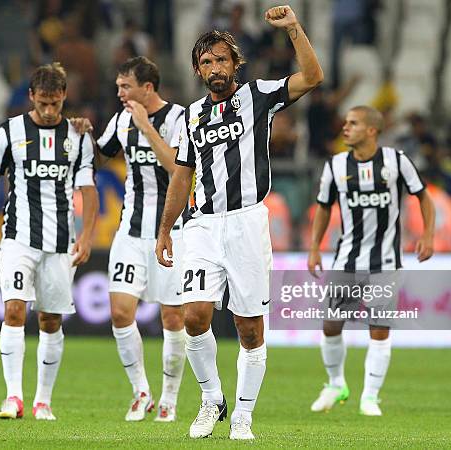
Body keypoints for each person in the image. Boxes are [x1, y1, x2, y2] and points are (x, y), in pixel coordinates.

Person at [155, 5, 324, 440]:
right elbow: (182, 175)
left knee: (250, 328)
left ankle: (244, 414)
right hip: (203, 226)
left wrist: (292, 30)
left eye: (222, 59)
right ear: (197, 69)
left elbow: (312, 78)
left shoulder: (259, 95)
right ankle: (212, 399)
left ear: (235, 64)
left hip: (248, 222)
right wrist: (164, 229)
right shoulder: (192, 116)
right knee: (193, 316)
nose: (215, 67)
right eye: (207, 61)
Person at [0, 63, 98, 421]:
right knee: (13, 310)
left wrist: (86, 237)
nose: (49, 111)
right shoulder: (9, 132)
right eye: (42, 103)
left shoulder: (78, 137)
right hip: (18, 239)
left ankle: (43, 400)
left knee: (51, 320)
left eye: (55, 103)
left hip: (60, 243)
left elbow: (89, 189)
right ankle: (13, 398)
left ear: (64, 97)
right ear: (31, 97)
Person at [74, 56, 187, 422]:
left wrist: (147, 128)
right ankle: (141, 392)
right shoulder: (122, 119)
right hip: (130, 231)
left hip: (171, 233)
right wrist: (82, 133)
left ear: (148, 87)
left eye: (126, 86)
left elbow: (177, 167)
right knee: (120, 311)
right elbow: (100, 156)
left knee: (172, 318)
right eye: (118, 86)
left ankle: (169, 398)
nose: (119, 93)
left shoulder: (179, 118)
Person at [307, 105, 435, 416]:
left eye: (352, 123)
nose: (345, 128)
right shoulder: (335, 165)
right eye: (345, 122)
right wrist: (314, 248)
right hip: (347, 258)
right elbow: (324, 207)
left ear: (371, 131)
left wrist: (428, 234)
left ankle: (370, 397)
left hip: (385, 261)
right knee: (330, 324)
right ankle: (336, 383)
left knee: (378, 328)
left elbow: (423, 196)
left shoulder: (396, 161)